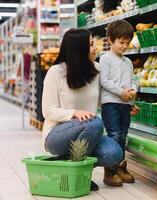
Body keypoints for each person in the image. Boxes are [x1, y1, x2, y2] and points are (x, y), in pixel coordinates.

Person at [42, 29, 123, 191]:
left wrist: (124, 104)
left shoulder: (97, 69)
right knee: (94, 123)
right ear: (79, 49)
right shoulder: (56, 72)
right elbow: (48, 111)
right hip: (57, 135)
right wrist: (73, 113)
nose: (96, 48)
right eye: (91, 44)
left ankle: (71, 164)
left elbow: (102, 100)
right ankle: (80, 175)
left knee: (114, 153)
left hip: (89, 133)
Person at [100, 19, 138, 187]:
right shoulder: (105, 59)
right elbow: (104, 81)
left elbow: (133, 80)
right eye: (121, 42)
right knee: (114, 134)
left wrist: (133, 91)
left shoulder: (128, 62)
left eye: (127, 43)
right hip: (110, 103)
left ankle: (120, 166)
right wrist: (121, 92)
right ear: (110, 40)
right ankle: (110, 169)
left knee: (123, 135)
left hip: (124, 104)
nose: (124, 46)